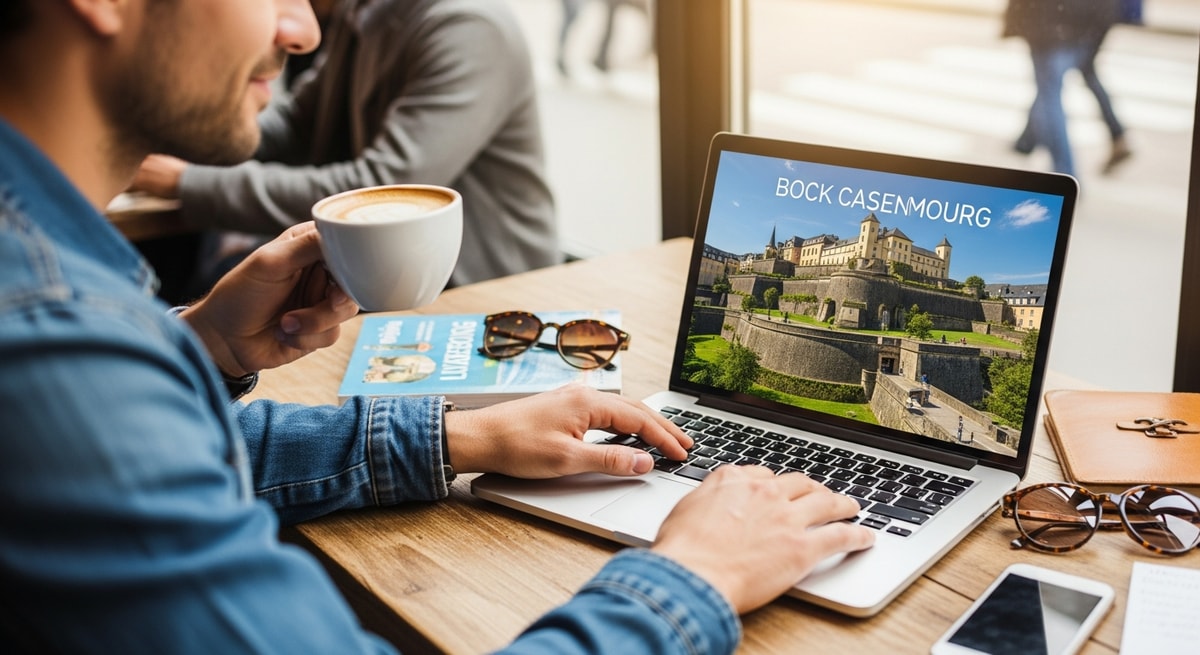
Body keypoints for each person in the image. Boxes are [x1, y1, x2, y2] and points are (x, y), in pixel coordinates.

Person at [0, 1, 874, 653]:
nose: (300, 27)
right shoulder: (54, 340)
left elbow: (140, 461)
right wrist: (697, 576)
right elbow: (92, 422)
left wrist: (457, 434)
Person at [130, 0, 560, 296]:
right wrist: (191, 137)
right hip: (390, 271)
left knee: (213, 276)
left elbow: (381, 187)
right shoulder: (366, 11)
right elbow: (295, 125)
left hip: (481, 288)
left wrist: (187, 182)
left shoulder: (468, 26)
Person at [1004, 0, 1130, 179]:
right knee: (1059, 85)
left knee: (1049, 95)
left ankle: (1064, 175)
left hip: (1051, 24)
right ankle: (1027, 141)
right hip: (1084, 22)